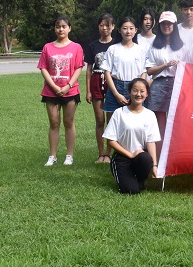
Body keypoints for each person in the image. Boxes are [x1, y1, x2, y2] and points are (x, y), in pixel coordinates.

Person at [38, 16, 85, 166]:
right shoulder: (48, 47)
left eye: (64, 26)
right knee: (54, 123)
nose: (61, 29)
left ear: (69, 28)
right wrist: (53, 86)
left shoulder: (76, 47)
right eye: (58, 26)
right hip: (50, 91)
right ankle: (52, 156)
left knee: (68, 122)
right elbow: (43, 68)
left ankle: (69, 155)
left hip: (70, 91)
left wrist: (68, 86)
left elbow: (78, 68)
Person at [101, 16, 148, 160]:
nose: (128, 31)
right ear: (119, 30)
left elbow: (144, 72)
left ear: (136, 30)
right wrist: (116, 93)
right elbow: (107, 72)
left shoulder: (140, 50)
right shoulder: (113, 49)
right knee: (112, 123)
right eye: (125, 28)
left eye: (131, 28)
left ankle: (137, 151)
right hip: (116, 86)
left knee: (135, 121)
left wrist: (139, 90)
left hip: (134, 88)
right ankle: (108, 154)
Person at [103, 78, 160, 194]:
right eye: (135, 90)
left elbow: (151, 141)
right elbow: (110, 140)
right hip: (122, 157)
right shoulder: (119, 113)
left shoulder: (150, 115)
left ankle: (140, 180)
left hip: (140, 156)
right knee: (131, 190)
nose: (138, 94)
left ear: (147, 94)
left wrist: (154, 165)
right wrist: (130, 154)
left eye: (142, 91)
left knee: (145, 158)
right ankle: (130, 181)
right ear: (129, 92)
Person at [145, 11, 184, 160]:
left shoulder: (181, 46)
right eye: (163, 24)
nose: (166, 26)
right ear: (159, 25)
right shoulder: (154, 46)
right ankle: (159, 158)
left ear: (174, 25)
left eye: (169, 23)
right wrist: (165, 65)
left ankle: (175, 156)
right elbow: (149, 70)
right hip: (159, 84)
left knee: (177, 123)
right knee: (160, 125)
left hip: (177, 84)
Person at [84, 13, 117, 164]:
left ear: (113, 27)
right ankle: (100, 153)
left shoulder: (116, 45)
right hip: (96, 80)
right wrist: (88, 91)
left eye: (107, 25)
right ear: (98, 26)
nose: (104, 28)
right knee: (99, 120)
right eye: (102, 25)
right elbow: (88, 69)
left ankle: (109, 154)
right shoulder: (93, 45)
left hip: (111, 81)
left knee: (111, 120)